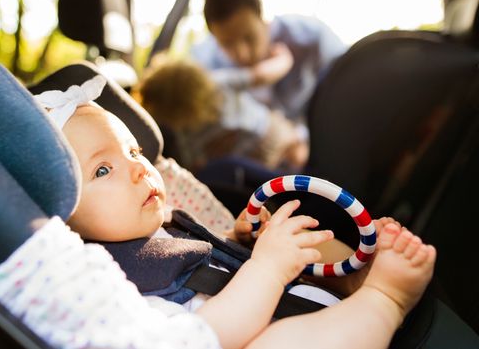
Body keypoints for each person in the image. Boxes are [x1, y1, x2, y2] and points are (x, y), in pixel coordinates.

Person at [27, 74, 436, 349]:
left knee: (296, 235)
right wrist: (268, 268)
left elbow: (208, 267)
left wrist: (241, 244)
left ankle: (354, 275)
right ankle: (386, 298)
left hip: (298, 307)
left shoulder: (167, 223)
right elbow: (204, 334)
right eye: (103, 169)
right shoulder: (107, 282)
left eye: (133, 151)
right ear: (62, 214)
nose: (138, 168)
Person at [191, 0, 348, 124]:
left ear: (262, 17)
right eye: (227, 44)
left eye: (249, 38)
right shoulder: (205, 64)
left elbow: (348, 84)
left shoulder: (310, 38)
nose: (242, 54)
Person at [136, 59, 309, 172]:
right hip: (266, 132)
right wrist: (283, 59)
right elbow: (261, 75)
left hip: (253, 156)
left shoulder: (185, 131)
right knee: (300, 157)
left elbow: (194, 166)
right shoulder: (217, 82)